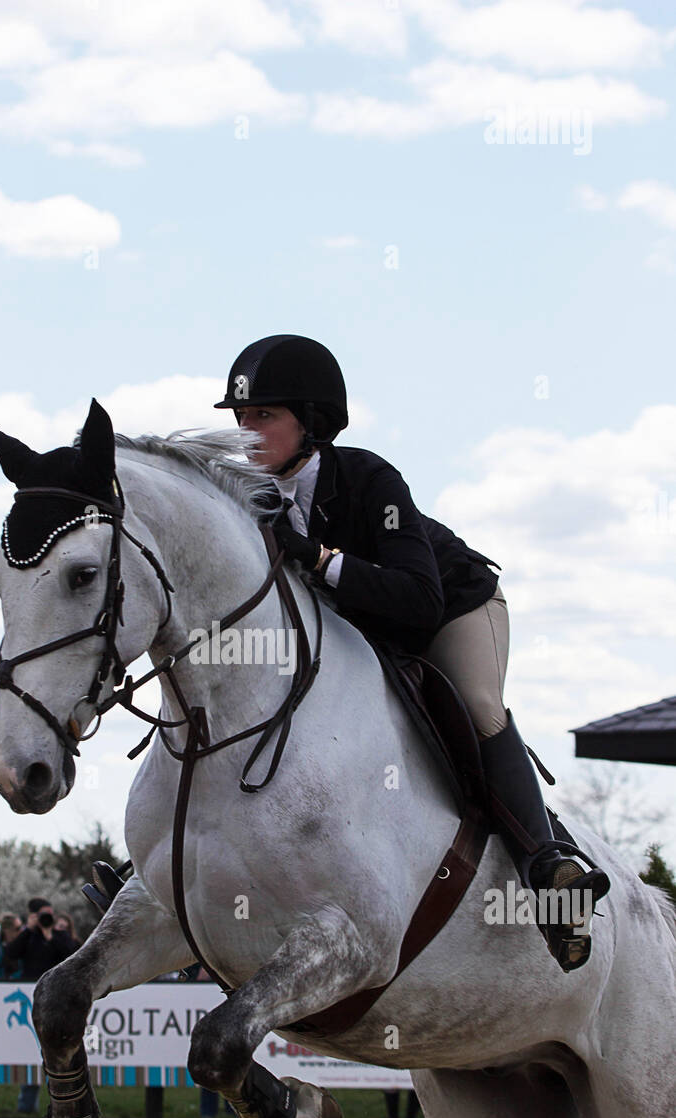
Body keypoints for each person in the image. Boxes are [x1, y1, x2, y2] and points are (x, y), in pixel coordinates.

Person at [214, 335, 611, 972]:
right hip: (365, 632)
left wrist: (317, 557)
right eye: (240, 419)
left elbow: (419, 601)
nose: (247, 433)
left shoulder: (370, 478)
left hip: (452, 608)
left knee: (478, 707)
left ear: (312, 422)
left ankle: (548, 869)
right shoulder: (248, 496)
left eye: (264, 416)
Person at [4, 898, 78, 1113]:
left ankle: (61, 1107)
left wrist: (49, 936)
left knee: (56, 1055)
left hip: (57, 1001)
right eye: (44, 915)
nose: (48, 919)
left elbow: (71, 955)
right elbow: (10, 953)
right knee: (30, 1054)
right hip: (34, 1002)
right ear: (34, 916)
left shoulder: (60, 937)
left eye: (50, 914)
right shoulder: (28, 937)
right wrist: (28, 929)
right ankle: (26, 1106)